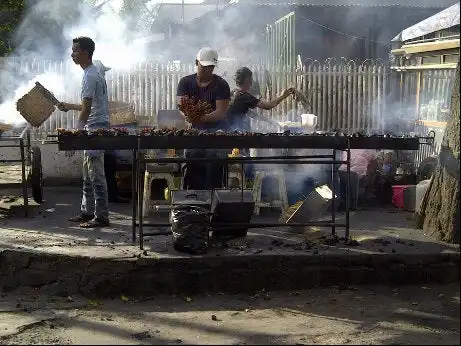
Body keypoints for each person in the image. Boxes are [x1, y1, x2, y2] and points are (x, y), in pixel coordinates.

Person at [58, 37, 110, 228]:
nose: (72, 54)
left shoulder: (89, 76)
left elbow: (87, 110)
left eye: (75, 51)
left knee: (96, 174)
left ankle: (101, 216)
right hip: (95, 127)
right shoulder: (93, 73)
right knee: (88, 174)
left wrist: (77, 133)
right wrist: (69, 106)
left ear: (85, 53)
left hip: (95, 129)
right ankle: (87, 212)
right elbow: (86, 105)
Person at [176, 47, 231, 190]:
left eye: (210, 67)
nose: (207, 70)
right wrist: (188, 117)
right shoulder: (185, 82)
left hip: (217, 133)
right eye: (204, 66)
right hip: (194, 134)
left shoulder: (221, 85)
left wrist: (199, 118)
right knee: (191, 157)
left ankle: (213, 198)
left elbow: (221, 113)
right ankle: (191, 197)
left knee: (214, 159)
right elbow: (182, 108)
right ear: (196, 62)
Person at [227, 66, 295, 131]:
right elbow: (268, 106)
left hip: (229, 129)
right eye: (250, 79)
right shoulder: (244, 96)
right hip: (237, 132)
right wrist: (282, 96)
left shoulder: (233, 92)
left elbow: (248, 113)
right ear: (246, 79)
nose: (251, 82)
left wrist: (270, 121)